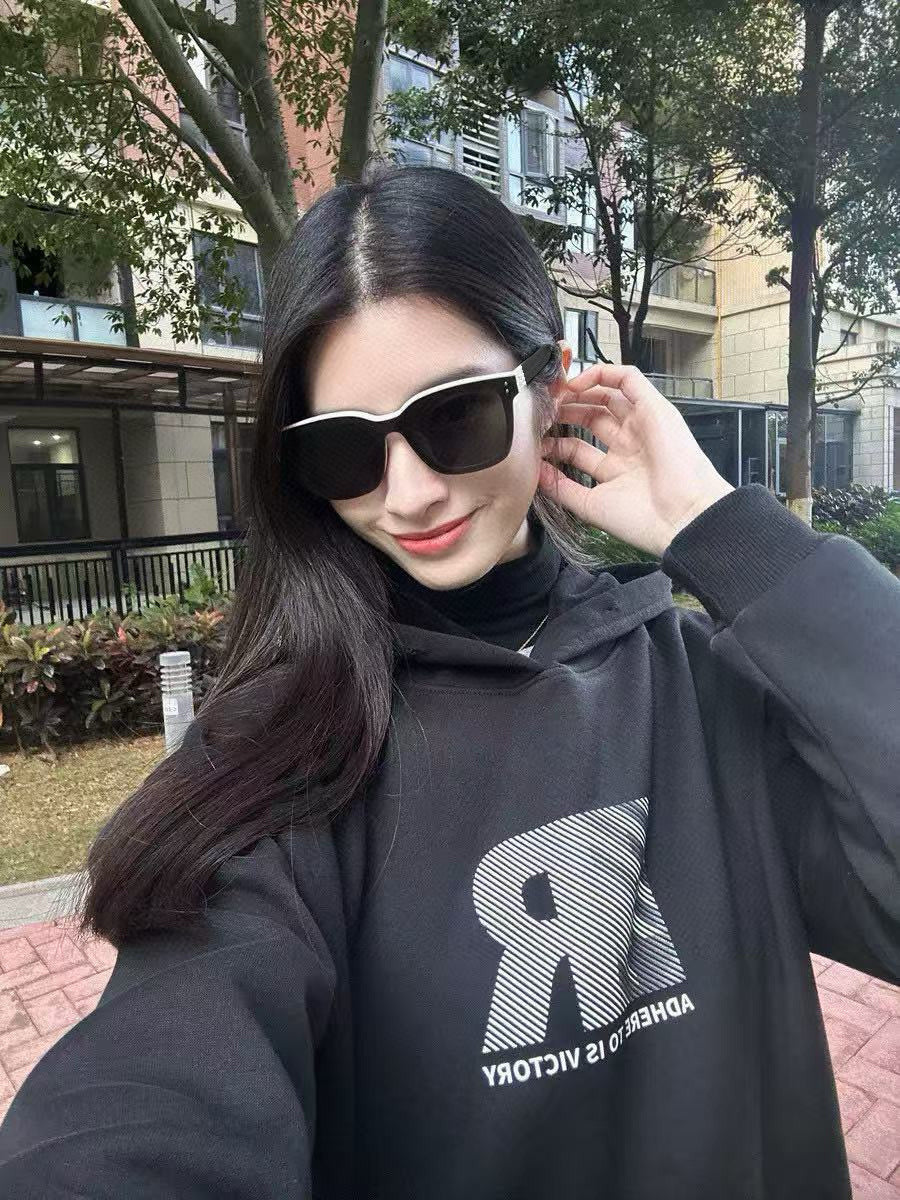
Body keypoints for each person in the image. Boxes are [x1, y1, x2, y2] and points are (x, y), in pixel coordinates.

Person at [0, 161, 897, 1200]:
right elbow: (152, 1095)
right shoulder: (279, 754)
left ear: (549, 386)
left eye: (454, 416)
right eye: (344, 451)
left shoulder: (705, 692)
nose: (410, 493)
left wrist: (726, 534)